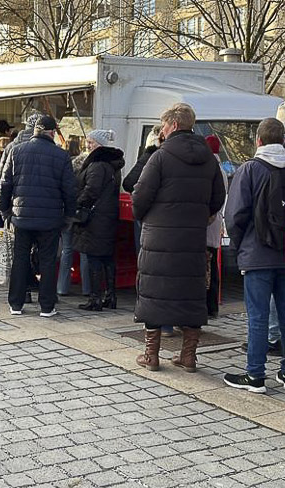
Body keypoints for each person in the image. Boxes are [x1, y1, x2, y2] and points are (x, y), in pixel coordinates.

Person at [132, 103, 226, 372]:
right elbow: (217, 197)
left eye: (163, 125)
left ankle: (151, 355)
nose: (162, 130)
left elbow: (140, 195)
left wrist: (147, 217)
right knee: (191, 293)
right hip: (193, 238)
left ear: (172, 125)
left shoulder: (160, 157)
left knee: (154, 291)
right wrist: (202, 216)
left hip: (159, 237)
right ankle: (188, 356)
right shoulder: (208, 158)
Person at [223, 118, 285, 394]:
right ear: (283, 140)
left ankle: (255, 375)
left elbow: (234, 215)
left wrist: (242, 246)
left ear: (258, 140)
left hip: (257, 254)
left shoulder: (249, 170)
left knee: (258, 316)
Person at [0, 115, 77, 317]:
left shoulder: (16, 151)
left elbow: (5, 185)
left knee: (20, 259)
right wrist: (68, 216)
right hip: (50, 219)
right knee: (48, 261)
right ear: (52, 133)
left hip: (21, 216)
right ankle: (47, 306)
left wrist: (6, 211)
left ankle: (16, 304)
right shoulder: (61, 156)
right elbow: (69, 190)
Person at [73, 129, 124, 311]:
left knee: (94, 257)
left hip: (95, 218)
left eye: (91, 142)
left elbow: (91, 191)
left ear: (100, 145)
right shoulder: (112, 165)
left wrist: (77, 203)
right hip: (108, 216)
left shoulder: (97, 164)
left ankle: (95, 299)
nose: (88, 145)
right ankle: (110, 296)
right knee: (107, 258)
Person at [57, 143, 90, 297]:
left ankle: (62, 287)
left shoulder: (68, 171)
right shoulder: (88, 173)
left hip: (66, 212)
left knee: (67, 249)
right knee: (83, 251)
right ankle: (87, 288)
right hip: (81, 214)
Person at [123, 125, 162, 254]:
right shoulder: (155, 157)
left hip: (146, 212)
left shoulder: (148, 156)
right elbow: (129, 182)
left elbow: (129, 183)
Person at [204, 135, 226, 319]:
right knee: (212, 264)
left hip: (209, 222)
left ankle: (210, 305)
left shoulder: (211, 169)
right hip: (215, 221)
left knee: (208, 266)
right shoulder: (220, 167)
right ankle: (212, 307)